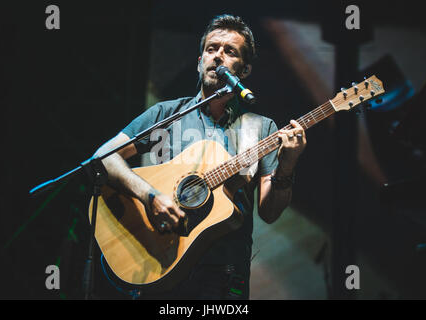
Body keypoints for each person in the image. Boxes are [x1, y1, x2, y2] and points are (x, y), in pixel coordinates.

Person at [93, 14, 306, 300]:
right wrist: (151, 198)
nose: (217, 56)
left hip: (224, 275)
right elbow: (104, 157)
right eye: (211, 48)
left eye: (229, 52)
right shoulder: (166, 114)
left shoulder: (260, 128)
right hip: (160, 260)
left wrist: (288, 164)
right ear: (199, 61)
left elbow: (269, 212)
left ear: (243, 72)